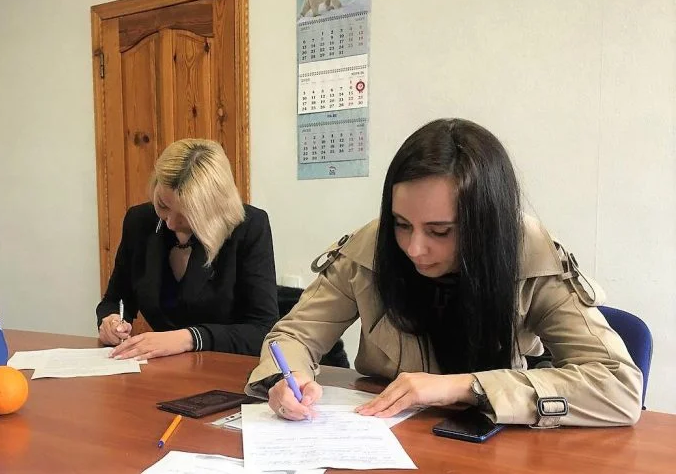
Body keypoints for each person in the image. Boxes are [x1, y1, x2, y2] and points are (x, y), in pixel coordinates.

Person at [246, 118, 643, 428]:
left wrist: (464, 386)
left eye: (440, 231)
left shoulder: (531, 255)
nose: (414, 248)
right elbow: (294, 335)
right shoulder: (367, 250)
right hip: (386, 431)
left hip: (498, 440)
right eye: (402, 224)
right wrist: (287, 378)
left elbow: (618, 386)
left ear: (486, 223)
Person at [96, 138, 278, 359]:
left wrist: (190, 338)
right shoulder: (140, 221)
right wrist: (111, 321)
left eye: (187, 215)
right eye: (163, 205)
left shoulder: (248, 227)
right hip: (162, 367)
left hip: (226, 367)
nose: (171, 223)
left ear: (213, 208)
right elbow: (116, 299)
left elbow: (263, 330)